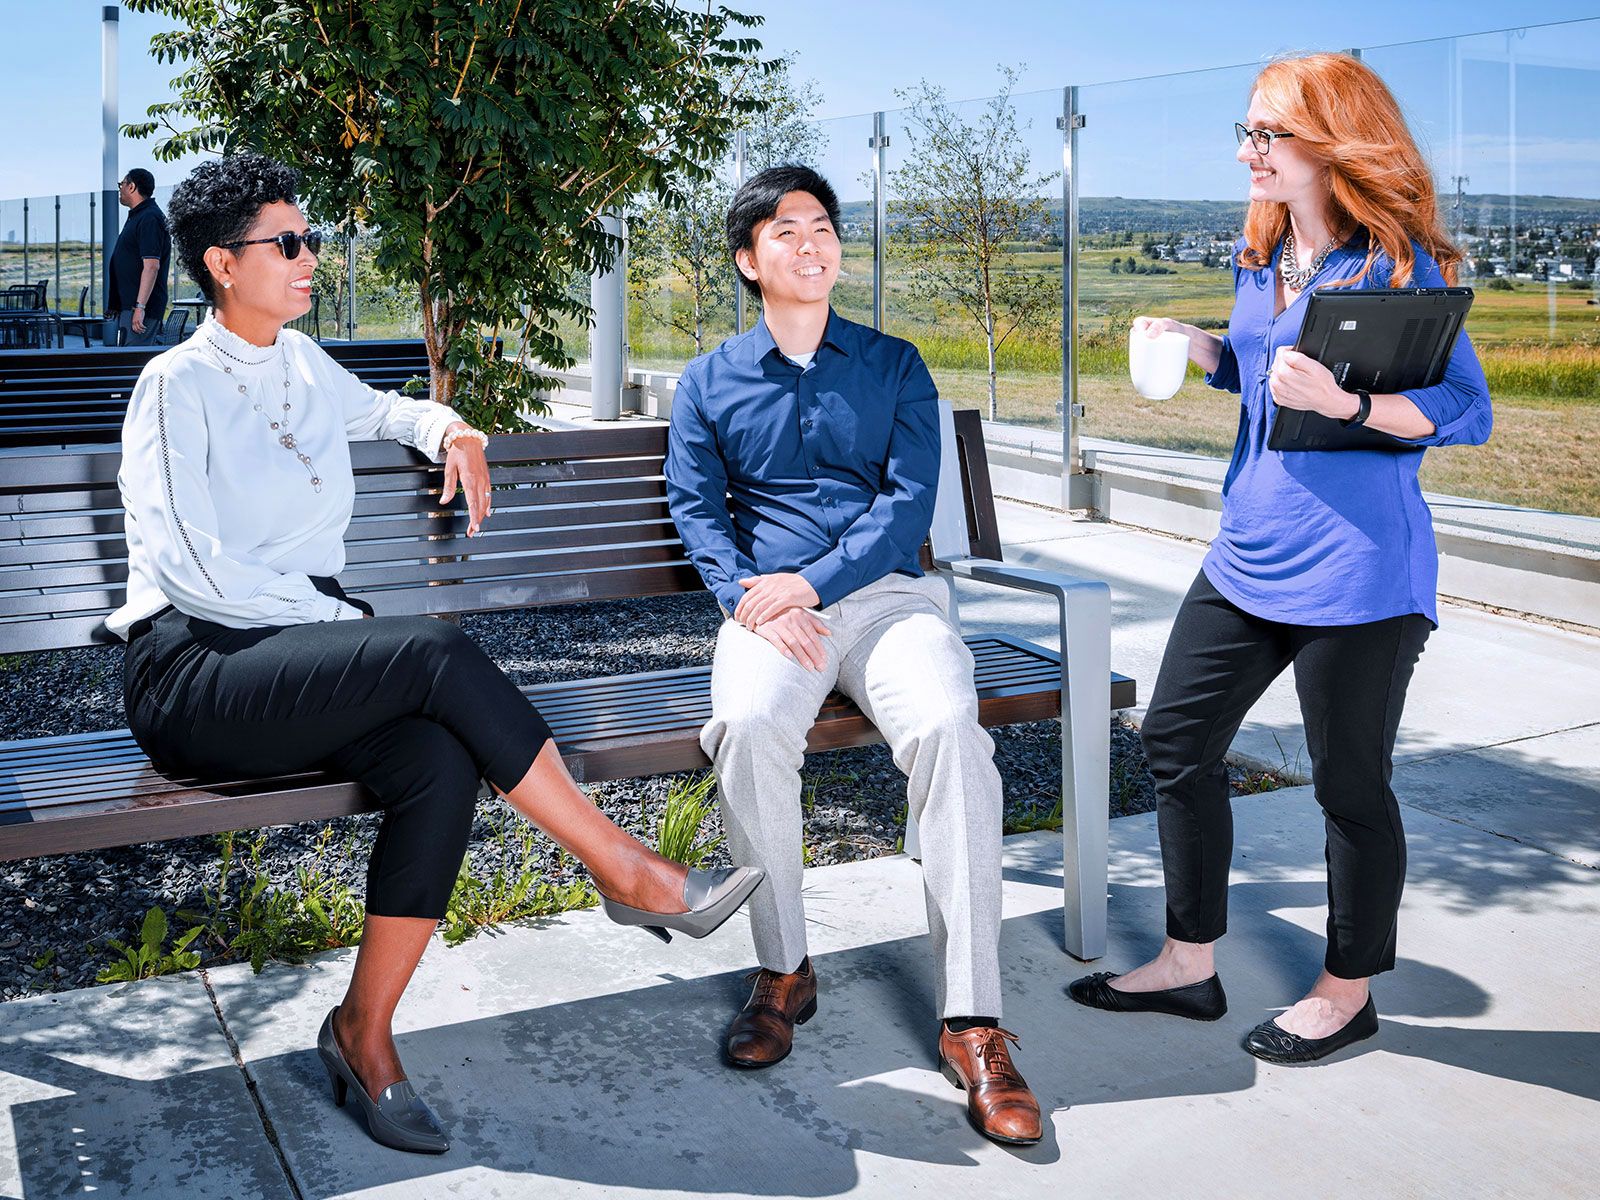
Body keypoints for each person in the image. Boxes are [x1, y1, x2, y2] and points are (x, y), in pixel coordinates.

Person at [108, 153, 762, 1155]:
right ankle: (629, 872)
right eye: (285, 242)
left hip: (290, 665)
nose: (309, 256)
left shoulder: (298, 361)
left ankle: (362, 1034)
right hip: (195, 673)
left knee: (438, 759)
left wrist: (450, 426)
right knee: (429, 653)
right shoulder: (173, 385)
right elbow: (192, 571)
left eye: (311, 237)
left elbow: (390, 410)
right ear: (221, 265)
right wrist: (344, 631)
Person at [1068, 53, 1492, 1064]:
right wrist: (1206, 348)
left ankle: (1348, 992)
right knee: (1175, 739)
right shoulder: (1261, 258)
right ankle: (1187, 960)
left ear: (1329, 143)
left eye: (1269, 135)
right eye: (1246, 132)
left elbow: (1463, 411)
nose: (1250, 152)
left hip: (1358, 569)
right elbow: (1266, 381)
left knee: (1349, 783)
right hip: (1247, 550)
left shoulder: (1399, 269)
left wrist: (1347, 405)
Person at [665, 164, 1042, 1145]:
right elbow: (698, 514)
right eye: (786, 231)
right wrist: (749, 594)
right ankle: (783, 971)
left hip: (885, 602)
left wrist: (813, 584)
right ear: (750, 261)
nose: (812, 244)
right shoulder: (707, 383)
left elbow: (902, 509)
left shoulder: (894, 364)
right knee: (743, 725)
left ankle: (974, 1021)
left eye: (823, 227)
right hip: (767, 614)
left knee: (952, 729)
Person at [109, 168, 172, 345]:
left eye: (121, 184)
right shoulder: (139, 216)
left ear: (132, 187)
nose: (120, 189)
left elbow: (151, 266)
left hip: (140, 308)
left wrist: (140, 307)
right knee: (126, 361)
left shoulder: (150, 218)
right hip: (130, 307)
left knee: (133, 362)